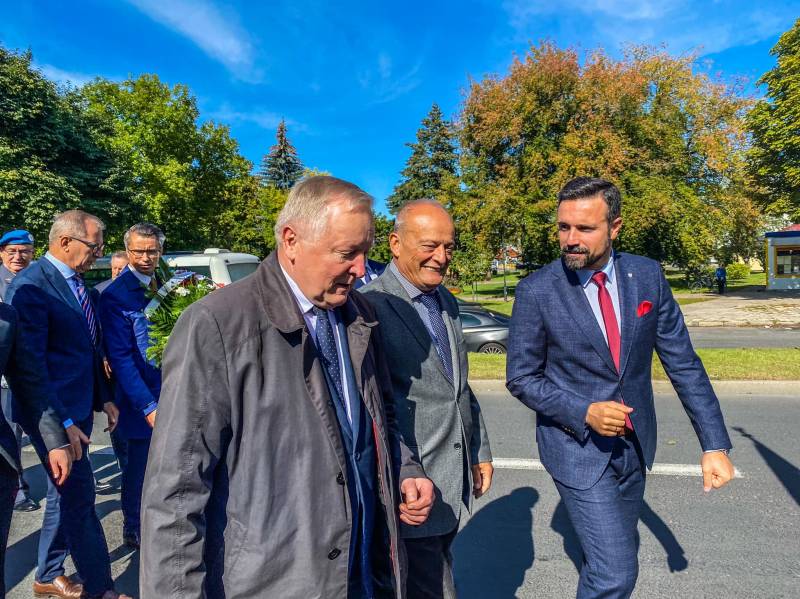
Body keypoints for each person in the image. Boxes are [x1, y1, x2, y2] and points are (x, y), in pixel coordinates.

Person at [141, 176, 435, 599]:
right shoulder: (217, 325)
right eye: (347, 253)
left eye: (364, 252)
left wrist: (405, 468)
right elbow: (177, 486)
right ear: (291, 240)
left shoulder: (358, 313)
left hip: (362, 571)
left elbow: (380, 413)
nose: (360, 269)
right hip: (273, 581)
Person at [506, 177, 735, 599]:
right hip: (575, 448)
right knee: (615, 573)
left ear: (615, 227)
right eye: (563, 227)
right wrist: (584, 411)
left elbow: (683, 363)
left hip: (635, 447)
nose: (570, 239)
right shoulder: (537, 290)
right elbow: (521, 378)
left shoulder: (646, 276)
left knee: (608, 562)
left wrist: (714, 444)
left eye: (585, 228)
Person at [360, 199, 493, 599]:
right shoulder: (369, 307)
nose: (442, 257)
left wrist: (479, 450)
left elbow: (458, 387)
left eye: (448, 246)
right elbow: (374, 407)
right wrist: (403, 472)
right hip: (411, 487)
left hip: (453, 477)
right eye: (430, 245)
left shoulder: (444, 300)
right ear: (395, 243)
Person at [7, 210, 130, 599]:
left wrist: (105, 398)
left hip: (77, 410)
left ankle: (47, 573)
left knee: (65, 496)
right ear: (65, 242)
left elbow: (88, 350)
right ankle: (101, 590)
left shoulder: (79, 286)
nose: (99, 253)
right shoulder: (31, 286)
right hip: (51, 416)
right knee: (80, 500)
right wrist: (61, 424)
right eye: (94, 246)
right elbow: (30, 368)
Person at [98, 223, 164, 550]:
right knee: (138, 469)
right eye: (138, 251)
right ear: (128, 251)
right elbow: (121, 359)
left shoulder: (167, 283)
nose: (145, 257)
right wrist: (147, 405)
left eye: (152, 251)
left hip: (172, 389)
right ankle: (134, 527)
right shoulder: (115, 296)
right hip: (141, 399)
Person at [0, 229, 40, 512]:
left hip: (34, 368)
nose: (18, 256)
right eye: (12, 251)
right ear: (2, 253)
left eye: (24, 251)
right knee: (10, 435)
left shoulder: (38, 279)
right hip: (6, 374)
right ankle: (18, 491)